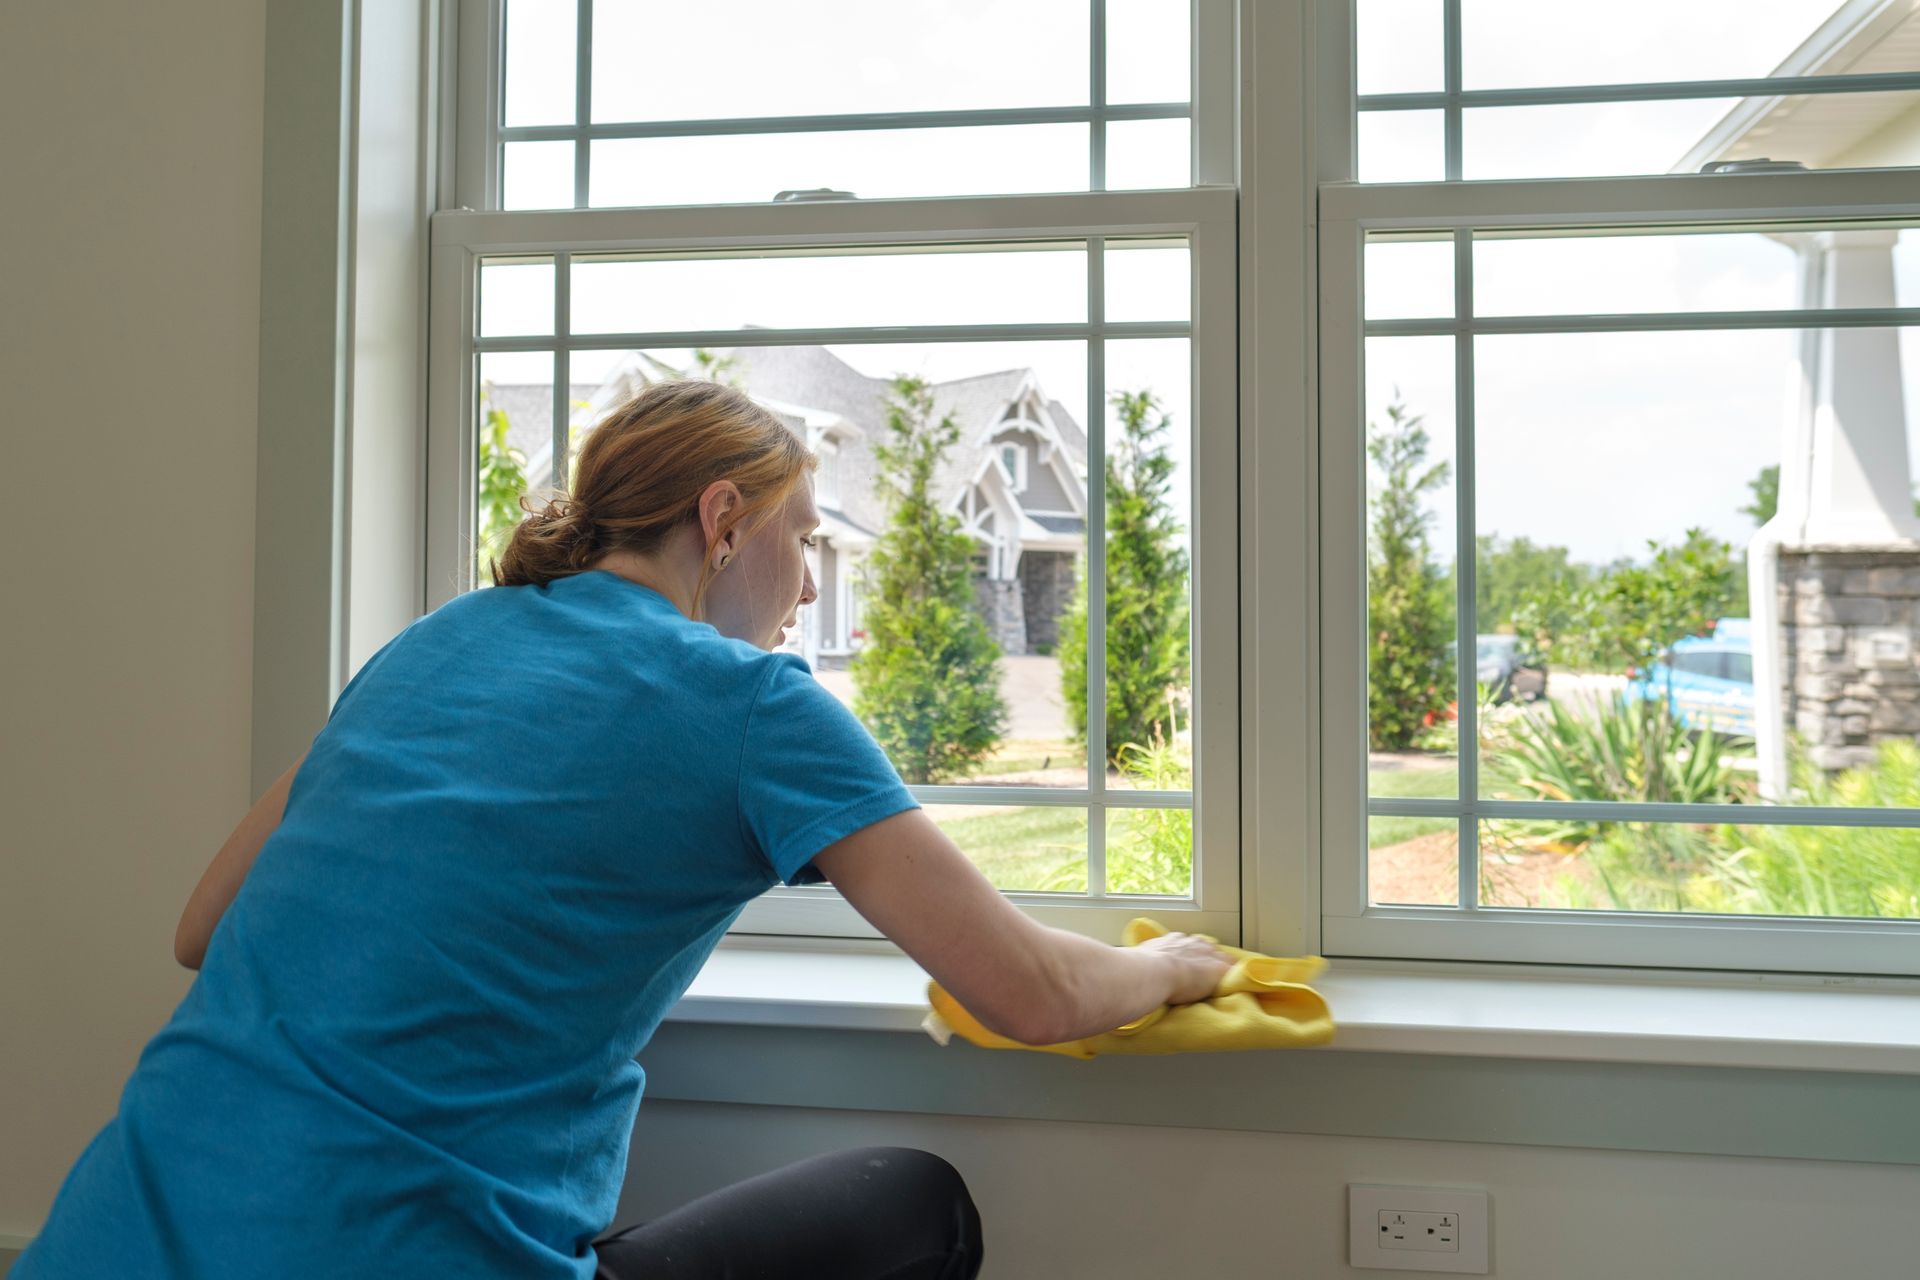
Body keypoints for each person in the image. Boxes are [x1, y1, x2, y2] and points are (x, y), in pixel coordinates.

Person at [15, 380, 1232, 1279]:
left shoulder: (436, 640)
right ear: (721, 520)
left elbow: (199, 927)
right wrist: (1166, 966)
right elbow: (1024, 988)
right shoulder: (755, 704)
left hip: (104, 1238)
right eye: (802, 535)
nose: (810, 583)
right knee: (916, 1203)